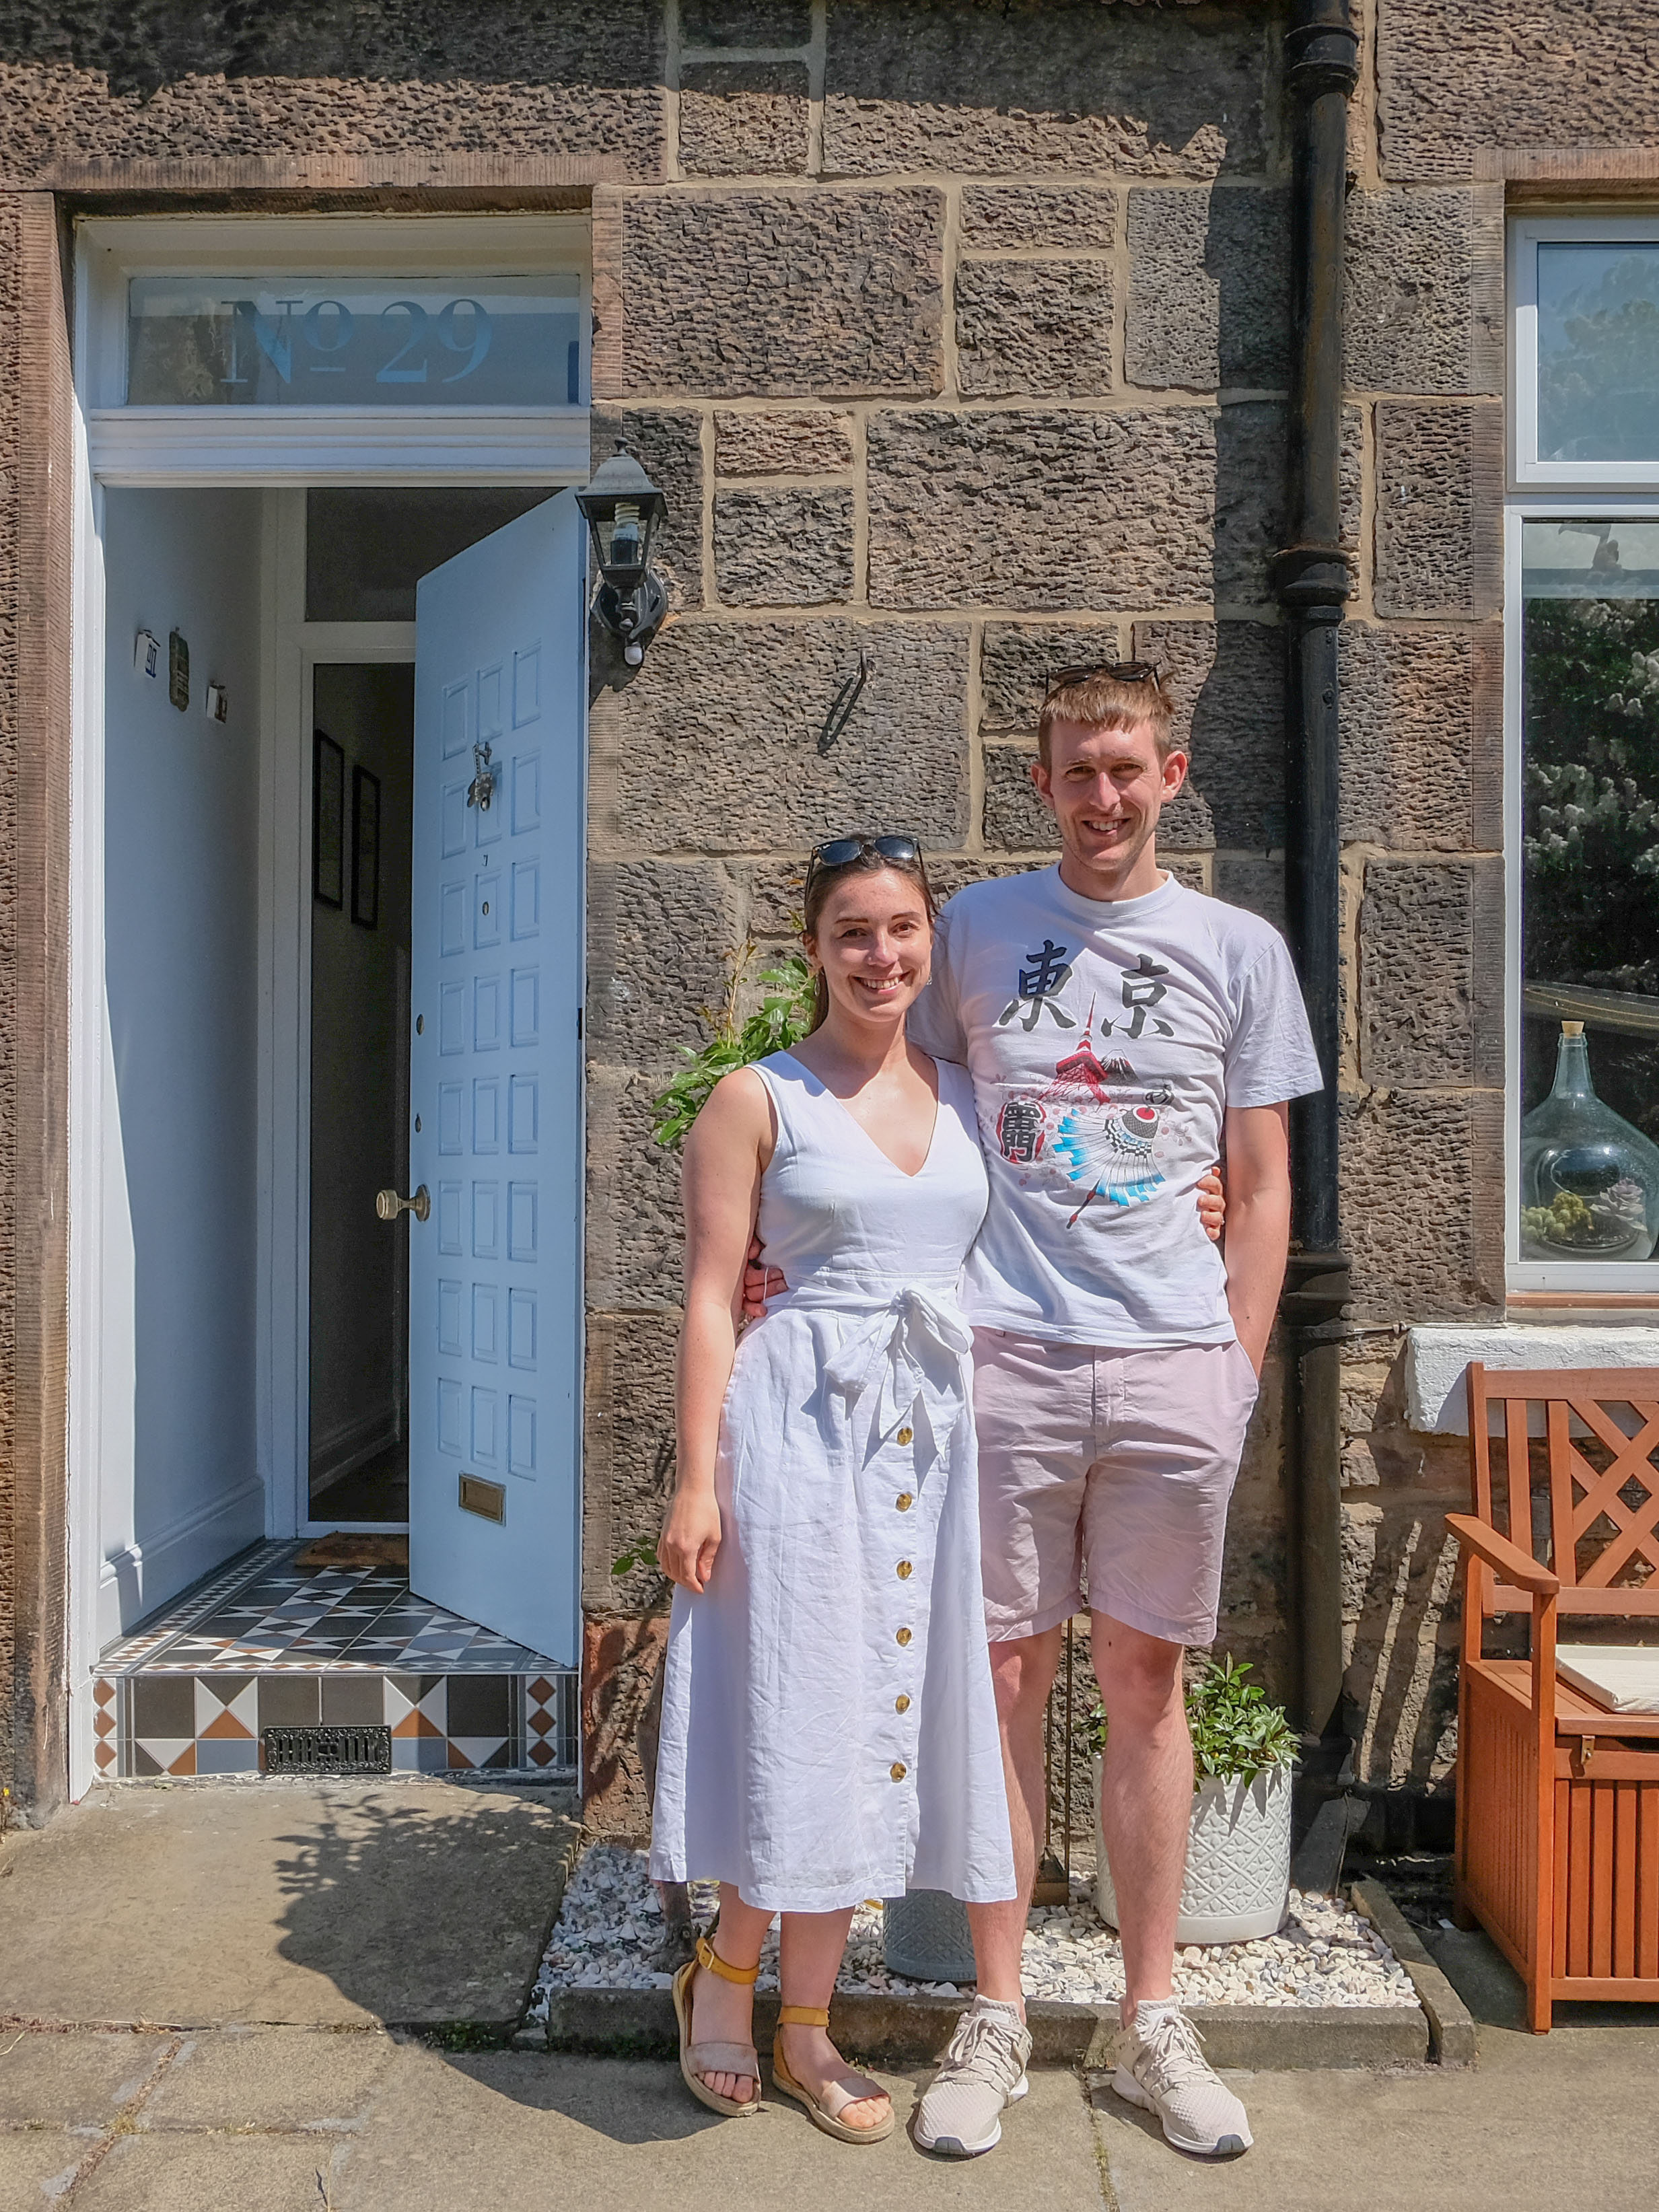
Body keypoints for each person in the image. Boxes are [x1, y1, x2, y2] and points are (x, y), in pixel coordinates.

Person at [750, 665, 1320, 2162]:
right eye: (1077, 770)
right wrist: (791, 1243)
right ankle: (997, 2011)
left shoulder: (1238, 950)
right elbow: (882, 1077)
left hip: (1174, 1362)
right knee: (1000, 1675)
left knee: (1146, 1682)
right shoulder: (979, 930)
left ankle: (1149, 2020)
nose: (1104, 796)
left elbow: (1261, 1188)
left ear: (1173, 770)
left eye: (1127, 768)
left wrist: (1236, 1363)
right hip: (997, 1357)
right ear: (1043, 779)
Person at [649, 836, 1018, 2145]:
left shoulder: (975, 1096)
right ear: (811, 946)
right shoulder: (761, 1098)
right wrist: (699, 1480)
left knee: (880, 1728)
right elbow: (707, 1297)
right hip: (799, 1436)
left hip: (934, 1443)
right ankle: (726, 1988)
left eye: (903, 928)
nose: (882, 954)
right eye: (853, 931)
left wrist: (1192, 1202)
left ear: (933, 941)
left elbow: (1050, 1235)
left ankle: (804, 2028)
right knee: (796, 1715)